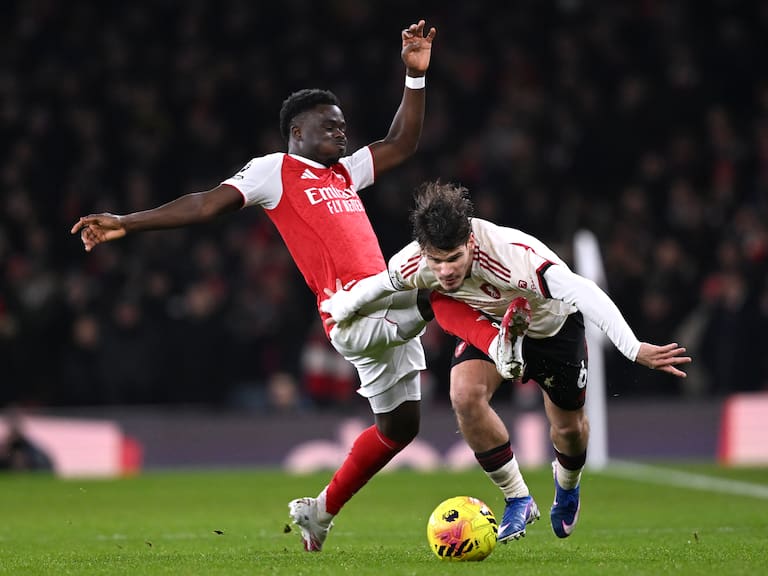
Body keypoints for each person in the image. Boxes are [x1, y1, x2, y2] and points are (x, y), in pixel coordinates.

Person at [71, 22, 519, 552]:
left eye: (344, 126)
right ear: (297, 132)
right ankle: (500, 345)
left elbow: (402, 142)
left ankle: (319, 511)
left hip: (385, 300)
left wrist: (414, 77)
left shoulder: (344, 174)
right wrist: (127, 220)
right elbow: (204, 204)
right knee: (439, 283)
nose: (341, 133)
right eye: (329, 126)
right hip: (350, 315)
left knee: (400, 428)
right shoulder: (274, 170)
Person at [321, 181, 692, 541]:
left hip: (552, 331)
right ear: (424, 250)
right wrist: (342, 307)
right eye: (437, 261)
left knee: (569, 430)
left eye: (454, 259)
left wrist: (632, 347)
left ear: (470, 243)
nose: (446, 271)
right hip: (495, 327)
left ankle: (568, 486)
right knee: (464, 397)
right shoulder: (416, 261)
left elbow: (584, 289)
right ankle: (518, 498)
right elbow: (381, 283)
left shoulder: (513, 256)